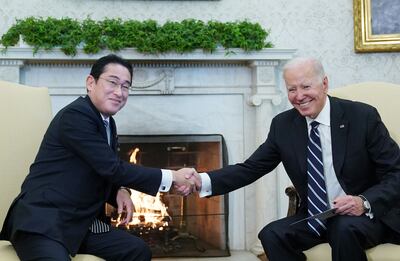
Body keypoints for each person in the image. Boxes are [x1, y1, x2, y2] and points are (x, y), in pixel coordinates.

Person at [188, 57, 400, 261]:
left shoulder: (362, 116)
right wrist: (202, 181)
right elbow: (251, 168)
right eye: (292, 89)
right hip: (320, 215)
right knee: (272, 234)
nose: (299, 96)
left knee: (343, 228)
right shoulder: (283, 125)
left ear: (324, 84)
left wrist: (363, 202)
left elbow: (396, 172)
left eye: (306, 87)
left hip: (369, 214)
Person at [0, 54, 195, 261]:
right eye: (112, 82)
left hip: (79, 223)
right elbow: (111, 168)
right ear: (90, 83)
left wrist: (118, 190)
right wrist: (172, 177)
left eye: (126, 86)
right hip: (43, 222)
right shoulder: (76, 116)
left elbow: (94, 168)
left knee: (137, 251)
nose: (119, 92)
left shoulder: (107, 122)